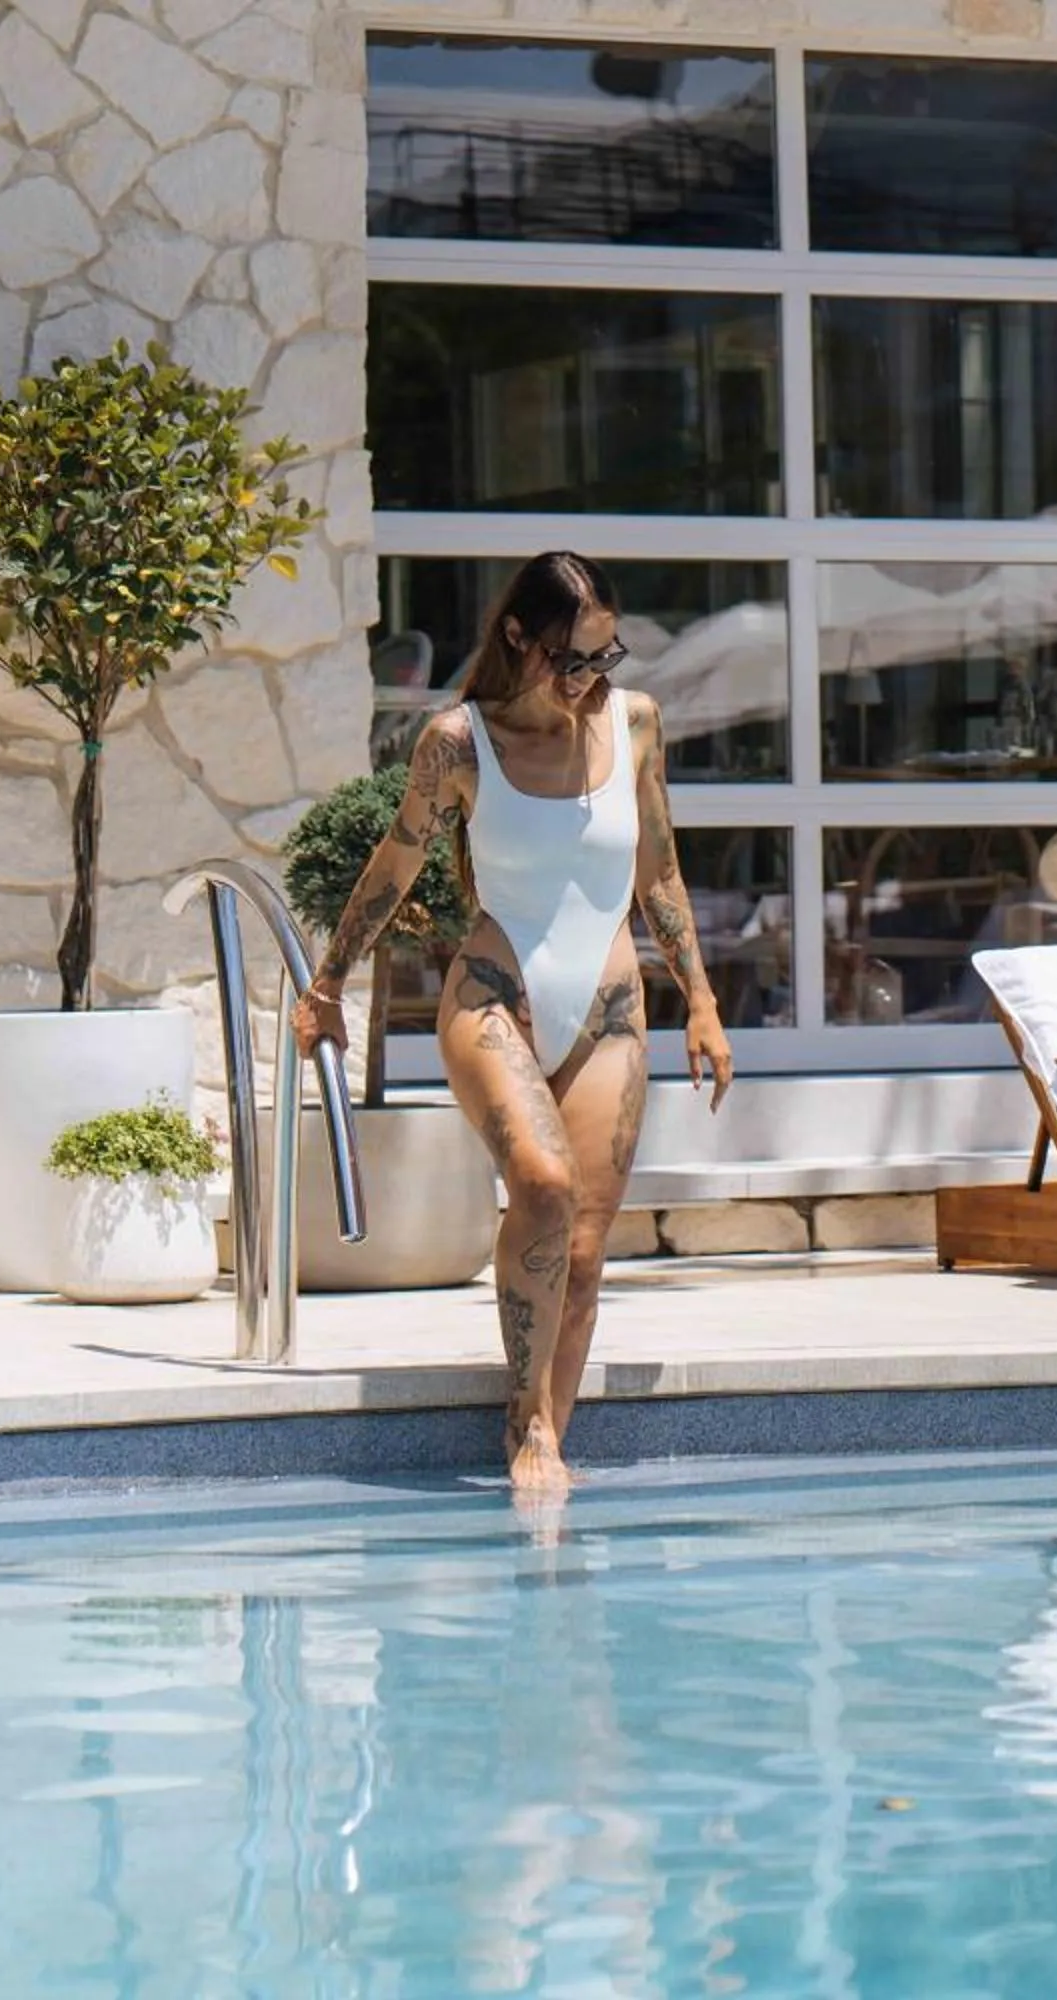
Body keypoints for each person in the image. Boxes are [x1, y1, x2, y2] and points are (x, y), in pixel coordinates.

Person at [292, 553, 733, 1493]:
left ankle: (547, 1441)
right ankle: (524, 1420)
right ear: (518, 638)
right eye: (572, 660)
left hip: (611, 1011)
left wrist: (700, 1000)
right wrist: (327, 984)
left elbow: (657, 868)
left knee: (585, 1248)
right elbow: (396, 864)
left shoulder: (635, 722)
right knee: (541, 1182)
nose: (591, 678)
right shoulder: (459, 743)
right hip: (495, 995)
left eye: (606, 655)